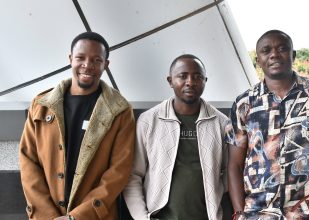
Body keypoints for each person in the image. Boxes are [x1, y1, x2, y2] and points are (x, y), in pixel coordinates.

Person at [228, 30, 309, 220]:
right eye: (266, 50)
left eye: (282, 48)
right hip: (259, 214)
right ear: (258, 60)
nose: (274, 54)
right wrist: (240, 213)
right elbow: (234, 164)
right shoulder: (244, 104)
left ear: (293, 55)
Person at [18, 32, 135, 220]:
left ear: (106, 64)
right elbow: (28, 161)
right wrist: (48, 215)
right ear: (70, 59)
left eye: (97, 60)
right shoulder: (41, 105)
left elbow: (119, 171)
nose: (87, 65)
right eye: (80, 58)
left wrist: (77, 217)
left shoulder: (120, 111)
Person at [123, 54, 235, 220]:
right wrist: (141, 217)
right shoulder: (148, 120)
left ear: (205, 81)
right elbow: (133, 175)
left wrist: (215, 196)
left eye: (197, 77)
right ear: (170, 81)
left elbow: (231, 172)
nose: (190, 82)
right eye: (182, 76)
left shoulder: (223, 123)